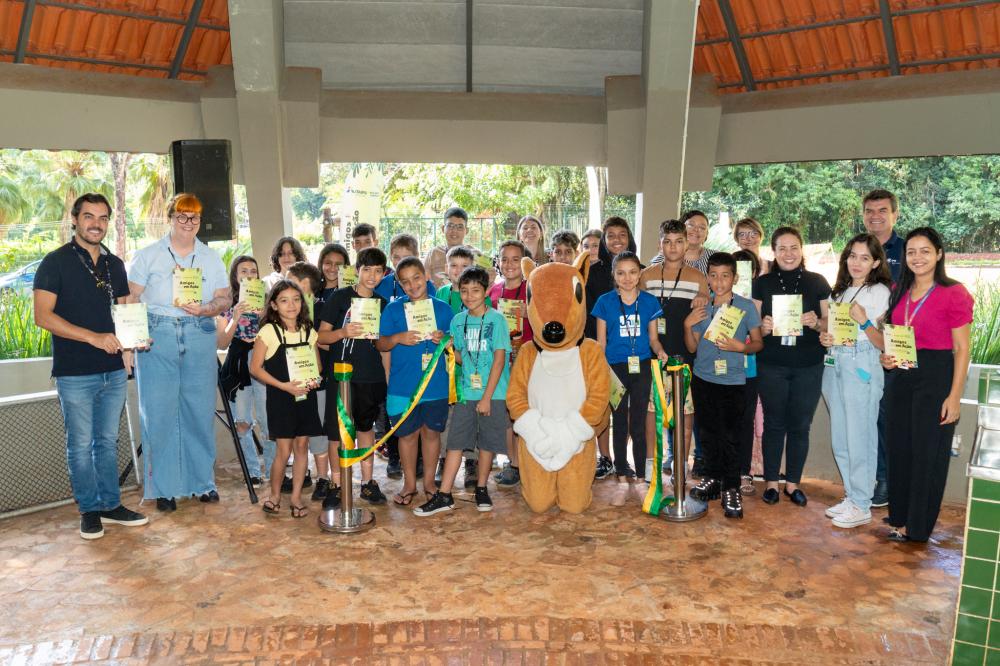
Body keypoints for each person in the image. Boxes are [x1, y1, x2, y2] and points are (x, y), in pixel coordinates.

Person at [33, 192, 148, 539]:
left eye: (102, 218)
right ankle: (89, 510)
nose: (95, 224)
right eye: (88, 216)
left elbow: (126, 310)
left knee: (107, 441)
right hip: (74, 372)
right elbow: (43, 317)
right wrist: (93, 337)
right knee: (80, 445)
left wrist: (131, 345)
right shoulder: (54, 263)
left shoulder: (115, 264)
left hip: (113, 370)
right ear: (74, 219)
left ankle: (111, 505)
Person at [128, 193, 230, 512]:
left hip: (199, 331)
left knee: (199, 410)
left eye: (195, 218)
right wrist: (131, 342)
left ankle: (203, 482)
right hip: (157, 333)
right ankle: (164, 487)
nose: (189, 224)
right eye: (182, 217)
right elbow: (130, 300)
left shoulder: (210, 257)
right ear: (170, 218)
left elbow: (224, 299)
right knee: (159, 412)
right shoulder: (148, 255)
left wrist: (206, 309)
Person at [881, 228, 972, 543]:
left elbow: (962, 349)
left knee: (927, 455)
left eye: (925, 251)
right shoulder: (899, 289)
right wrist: (887, 359)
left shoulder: (954, 292)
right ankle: (900, 518)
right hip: (902, 375)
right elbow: (893, 338)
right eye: (911, 252)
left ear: (939, 254)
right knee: (899, 450)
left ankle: (918, 527)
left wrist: (955, 396)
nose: (917, 258)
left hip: (936, 377)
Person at [414, 266, 511, 515]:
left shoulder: (497, 320)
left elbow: (500, 360)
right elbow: (461, 358)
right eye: (464, 291)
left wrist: (488, 397)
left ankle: (481, 488)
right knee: (455, 442)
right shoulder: (458, 320)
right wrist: (445, 344)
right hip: (466, 392)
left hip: (493, 393)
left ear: (487, 291)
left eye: (475, 291)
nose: (469, 296)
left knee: (487, 444)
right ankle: (445, 494)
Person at [752, 227, 831, 508]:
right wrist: (764, 327)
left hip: (808, 364)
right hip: (771, 364)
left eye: (794, 247)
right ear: (773, 252)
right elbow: (754, 328)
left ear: (802, 250)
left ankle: (793, 484)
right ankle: (771, 482)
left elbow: (828, 323)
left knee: (800, 426)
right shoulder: (762, 283)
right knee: (774, 424)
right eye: (782, 248)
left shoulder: (818, 282)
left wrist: (816, 323)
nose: (788, 253)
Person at [683, 253, 763, 519]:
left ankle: (731, 487)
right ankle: (712, 479)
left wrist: (742, 347)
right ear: (707, 278)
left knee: (730, 436)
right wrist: (687, 325)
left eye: (725, 275)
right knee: (707, 434)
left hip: (733, 381)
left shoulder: (746, 307)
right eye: (714, 275)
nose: (719, 281)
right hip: (703, 379)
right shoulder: (702, 307)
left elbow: (758, 343)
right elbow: (692, 347)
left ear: (735, 278)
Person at [819, 233, 891, 529]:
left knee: (861, 436)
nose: (857, 263)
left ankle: (862, 502)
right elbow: (834, 329)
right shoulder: (840, 292)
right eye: (852, 256)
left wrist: (862, 322)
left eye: (864, 257)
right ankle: (852, 496)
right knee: (842, 438)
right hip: (836, 361)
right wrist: (826, 338)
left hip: (862, 363)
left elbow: (883, 343)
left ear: (875, 262)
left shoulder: (881, 292)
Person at [376, 257, 454, 506]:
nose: (413, 285)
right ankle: (409, 484)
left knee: (432, 435)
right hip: (402, 387)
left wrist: (443, 338)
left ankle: (429, 483)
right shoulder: (392, 310)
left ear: (426, 277)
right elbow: (380, 343)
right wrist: (398, 337)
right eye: (406, 282)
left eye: (417, 278)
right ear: (399, 285)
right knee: (406, 436)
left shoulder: (442, 308)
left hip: (436, 385)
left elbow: (453, 341)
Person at [317, 247, 390, 510]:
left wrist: (386, 377)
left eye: (378, 271)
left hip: (370, 378)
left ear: (384, 273)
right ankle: (337, 484)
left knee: (365, 429)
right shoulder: (339, 298)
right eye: (367, 269)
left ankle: (368, 482)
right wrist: (343, 332)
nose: (372, 275)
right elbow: (321, 337)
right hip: (341, 377)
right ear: (357, 269)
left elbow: (385, 347)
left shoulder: (383, 304)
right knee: (337, 433)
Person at [593, 251, 668, 506]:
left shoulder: (649, 302)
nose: (627, 278)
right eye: (621, 273)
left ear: (640, 274)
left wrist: (660, 352)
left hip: (642, 367)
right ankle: (621, 469)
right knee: (619, 420)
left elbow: (654, 339)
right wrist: (600, 369)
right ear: (614, 275)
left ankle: (638, 471)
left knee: (638, 420)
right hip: (614, 367)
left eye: (633, 272)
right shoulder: (604, 302)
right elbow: (601, 342)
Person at [250, 280, 324, 518]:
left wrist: (314, 380)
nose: (291, 305)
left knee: (302, 447)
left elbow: (318, 366)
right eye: (284, 300)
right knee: (284, 451)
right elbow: (256, 368)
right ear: (273, 305)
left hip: (305, 398)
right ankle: (274, 495)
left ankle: (295, 497)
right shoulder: (268, 332)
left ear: (302, 302)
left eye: (295, 299)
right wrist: (283, 386)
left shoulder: (308, 330)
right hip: (281, 398)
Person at [640, 220, 707, 474]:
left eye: (679, 241)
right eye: (667, 241)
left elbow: (703, 319)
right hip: (653, 354)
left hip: (684, 355)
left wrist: (704, 298)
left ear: (687, 242)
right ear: (660, 243)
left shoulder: (698, 277)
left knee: (683, 413)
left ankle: (679, 460)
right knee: (652, 411)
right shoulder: (646, 276)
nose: (673, 247)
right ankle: (650, 463)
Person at [374, 233, 436, 480]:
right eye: (397, 258)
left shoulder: (430, 292)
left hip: (424, 367)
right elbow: (381, 336)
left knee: (424, 423)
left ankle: (421, 465)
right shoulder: (386, 289)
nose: (402, 261)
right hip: (394, 363)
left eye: (407, 257)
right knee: (397, 420)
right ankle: (395, 459)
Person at [585, 217, 638, 479]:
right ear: (604, 241)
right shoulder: (593, 272)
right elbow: (586, 314)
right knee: (604, 406)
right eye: (611, 235)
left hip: (632, 353)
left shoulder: (638, 269)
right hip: (600, 351)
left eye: (622, 234)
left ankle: (622, 458)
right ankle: (604, 457)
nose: (617, 240)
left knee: (627, 410)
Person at [862, 188, 904, 509]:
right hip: (864, 348)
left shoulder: (906, 250)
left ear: (894, 214)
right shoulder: (859, 249)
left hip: (897, 348)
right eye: (870, 211)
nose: (875, 216)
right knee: (872, 417)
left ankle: (891, 482)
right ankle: (878, 479)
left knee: (890, 418)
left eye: (882, 210)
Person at [217, 255, 271, 487]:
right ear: (235, 275)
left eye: (253, 270)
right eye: (243, 271)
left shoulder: (268, 300)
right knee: (242, 422)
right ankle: (252, 471)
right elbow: (221, 342)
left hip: (264, 361)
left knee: (269, 421)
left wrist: (264, 318)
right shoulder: (225, 303)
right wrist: (236, 316)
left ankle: (273, 469)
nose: (249, 275)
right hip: (238, 365)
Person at [488, 240, 534, 488]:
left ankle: (528, 461)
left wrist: (531, 314)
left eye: (516, 259)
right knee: (507, 413)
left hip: (528, 360)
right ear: (498, 262)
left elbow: (547, 324)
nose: (510, 264)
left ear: (524, 262)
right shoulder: (494, 292)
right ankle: (513, 463)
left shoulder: (532, 289)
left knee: (526, 412)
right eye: (505, 259)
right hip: (502, 361)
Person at [286, 261, 326, 497]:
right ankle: (303, 475)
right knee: (296, 434)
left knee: (318, 432)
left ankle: (323, 478)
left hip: (315, 382)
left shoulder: (320, 309)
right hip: (289, 384)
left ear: (303, 284)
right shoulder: (284, 312)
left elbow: (322, 342)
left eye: (290, 280)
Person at [732, 249, 762, 495]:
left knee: (744, 422)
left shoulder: (756, 303)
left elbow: (758, 340)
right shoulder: (713, 299)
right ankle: (723, 472)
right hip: (717, 373)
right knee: (721, 423)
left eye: (746, 271)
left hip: (748, 371)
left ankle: (743, 472)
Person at [377, 233, 437, 303]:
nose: (401, 262)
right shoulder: (381, 285)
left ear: (416, 256)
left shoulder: (426, 286)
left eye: (406, 258)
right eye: (396, 257)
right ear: (390, 257)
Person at [649, 210, 715, 273]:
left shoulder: (715, 257)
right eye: (691, 225)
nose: (696, 230)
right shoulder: (660, 261)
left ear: (707, 234)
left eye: (702, 228)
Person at [423, 207, 473, 287]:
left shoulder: (475, 254)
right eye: (450, 226)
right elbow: (423, 280)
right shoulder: (433, 254)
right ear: (443, 228)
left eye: (460, 227)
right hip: (438, 298)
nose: (454, 231)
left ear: (466, 230)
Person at [435, 245, 475, 314]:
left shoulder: (480, 294)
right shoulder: (441, 292)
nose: (459, 270)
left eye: (464, 266)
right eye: (454, 265)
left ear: (472, 269)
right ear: (446, 268)